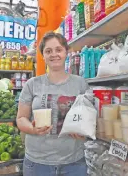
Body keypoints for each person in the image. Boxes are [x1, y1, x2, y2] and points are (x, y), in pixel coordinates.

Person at [17, 32, 89, 176]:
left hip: (73, 162)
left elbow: (88, 117)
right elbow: (21, 118)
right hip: (37, 163)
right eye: (48, 51)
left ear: (66, 52)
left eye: (58, 50)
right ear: (43, 56)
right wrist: (32, 129)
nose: (53, 54)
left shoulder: (80, 83)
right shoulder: (32, 84)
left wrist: (83, 132)